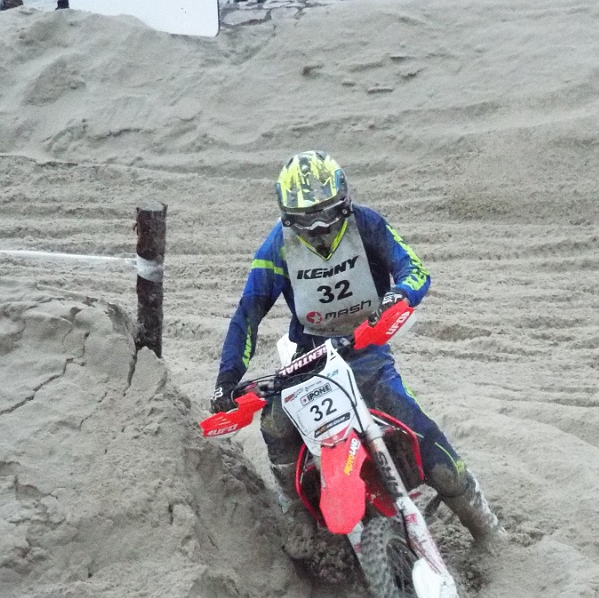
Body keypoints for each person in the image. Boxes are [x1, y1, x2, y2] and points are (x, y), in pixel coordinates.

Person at [210, 150, 505, 560]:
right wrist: (226, 380)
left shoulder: (367, 224)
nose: (317, 227)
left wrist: (398, 296)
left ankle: (484, 525)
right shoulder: (276, 246)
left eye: (326, 214)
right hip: (308, 355)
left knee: (421, 431)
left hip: (366, 348)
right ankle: (295, 510)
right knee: (275, 422)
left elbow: (415, 269)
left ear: (343, 201)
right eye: (304, 219)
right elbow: (248, 313)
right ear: (287, 217)